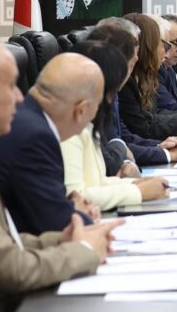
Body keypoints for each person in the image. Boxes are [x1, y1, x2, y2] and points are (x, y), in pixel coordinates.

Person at [0, 41, 123, 312]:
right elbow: (12, 270)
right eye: (11, 86)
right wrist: (83, 250)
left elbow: (2, 244)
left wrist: (61, 240)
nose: (20, 98)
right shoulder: (32, 135)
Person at [0, 53, 104, 235]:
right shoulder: (36, 137)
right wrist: (82, 217)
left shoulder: (28, 121)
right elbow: (59, 225)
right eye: (11, 86)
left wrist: (68, 206)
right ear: (81, 110)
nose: (19, 96)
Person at [61, 40, 169, 211]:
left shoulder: (84, 121)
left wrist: (136, 184)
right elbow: (76, 198)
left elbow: (96, 182)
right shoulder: (67, 129)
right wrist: (138, 192)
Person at [87, 22, 177, 176]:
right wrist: (165, 153)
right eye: (165, 45)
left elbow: (123, 138)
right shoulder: (100, 93)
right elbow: (113, 148)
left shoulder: (113, 90)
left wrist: (160, 146)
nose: (137, 57)